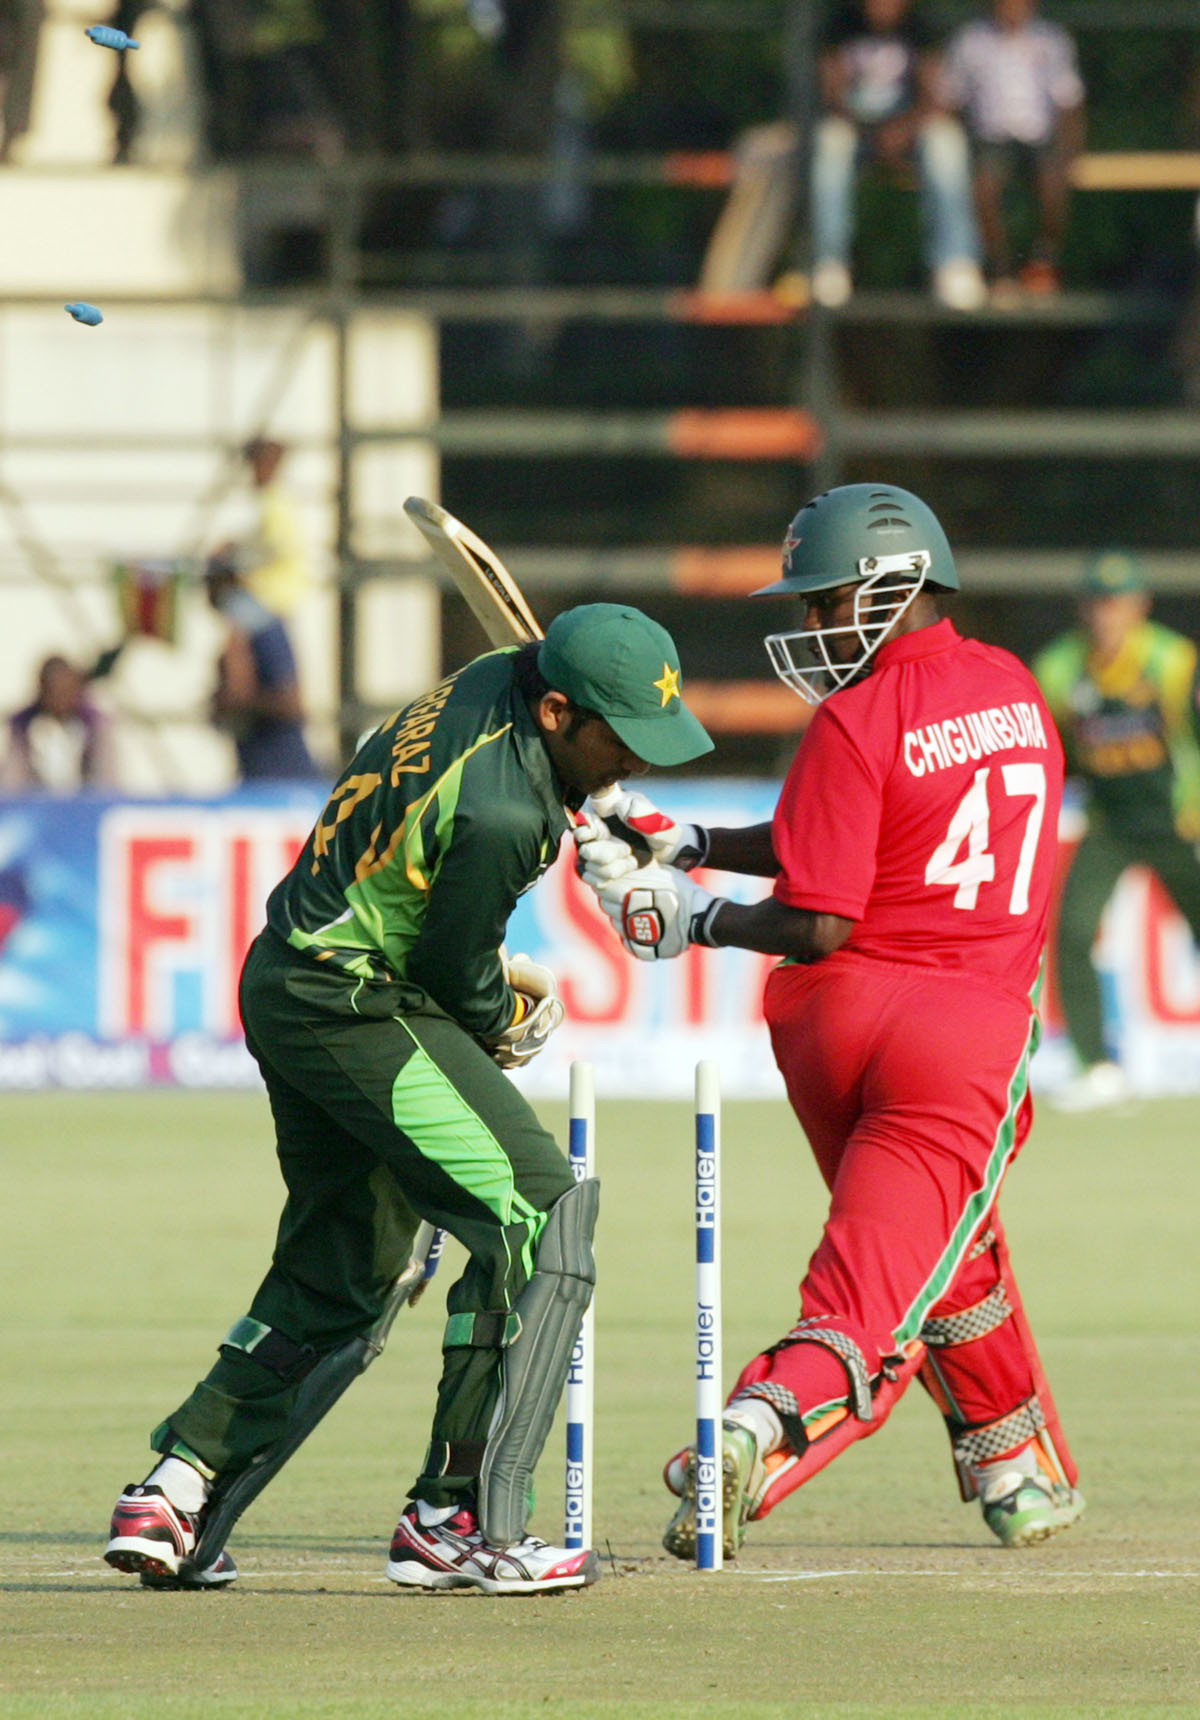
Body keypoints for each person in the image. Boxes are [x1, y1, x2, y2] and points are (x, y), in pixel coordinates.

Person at [102, 602, 713, 1595]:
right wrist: (505, 1009)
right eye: (621, 741)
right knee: (542, 1212)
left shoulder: (494, 681)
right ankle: (461, 1519)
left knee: (349, 1269)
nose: (636, 762)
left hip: (288, 980)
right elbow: (452, 967)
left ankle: (177, 1490)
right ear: (557, 711)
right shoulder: (509, 815)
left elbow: (496, 799)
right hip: (357, 1001)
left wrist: (592, 813)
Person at [577, 484, 1084, 1559]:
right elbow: (822, 904)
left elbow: (828, 897)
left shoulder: (856, 718)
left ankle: (1012, 1463)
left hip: (832, 1029)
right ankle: (754, 1426)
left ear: (895, 583)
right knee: (876, 1283)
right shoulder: (1015, 686)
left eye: (825, 601)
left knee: (942, 1249)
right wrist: (696, 847)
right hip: (958, 1037)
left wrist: (692, 914)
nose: (811, 626)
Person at [1033, 552, 1200, 1111]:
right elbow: (1048, 752)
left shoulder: (1172, 660)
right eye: (1099, 603)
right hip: (1107, 822)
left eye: (1118, 602)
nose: (1108, 615)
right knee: (1074, 931)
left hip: (1177, 819)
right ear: (1085, 608)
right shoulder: (1058, 668)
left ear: (1140, 606)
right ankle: (1096, 1065)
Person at [810, 0, 984, 310]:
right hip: (856, 126)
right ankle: (829, 262)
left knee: (947, 141)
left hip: (909, 125)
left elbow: (934, 96)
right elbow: (832, 96)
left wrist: (901, 129)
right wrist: (870, 130)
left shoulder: (921, 26)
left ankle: (955, 263)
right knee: (828, 142)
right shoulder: (840, 23)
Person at [942, 0, 1085, 300]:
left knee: (1054, 182)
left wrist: (1071, 149)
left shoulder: (1052, 40)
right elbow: (952, 98)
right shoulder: (971, 40)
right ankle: (1000, 270)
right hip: (990, 137)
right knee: (984, 188)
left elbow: (1069, 100)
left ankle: (1043, 263)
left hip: (1039, 137)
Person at [205, 554, 318, 781]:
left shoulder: (264, 630)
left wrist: (239, 700)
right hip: (256, 770)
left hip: (284, 774)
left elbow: (292, 704)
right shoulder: (243, 633)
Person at [1, 654, 115, 792]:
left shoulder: (95, 723)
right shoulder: (24, 724)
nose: (59, 698)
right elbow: (12, 782)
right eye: (52, 691)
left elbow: (108, 781)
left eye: (65, 690)